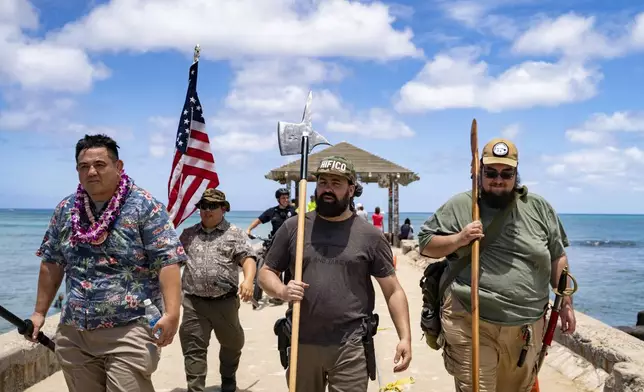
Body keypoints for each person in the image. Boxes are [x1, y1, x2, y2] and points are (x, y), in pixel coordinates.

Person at [29, 134, 186, 392]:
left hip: (130, 329)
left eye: (100, 164)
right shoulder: (66, 209)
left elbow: (168, 261)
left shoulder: (145, 206)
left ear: (118, 166)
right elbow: (52, 263)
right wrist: (39, 313)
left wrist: (172, 313)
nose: (92, 171)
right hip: (75, 329)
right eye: (84, 166)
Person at [418, 138, 576, 392]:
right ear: (479, 172)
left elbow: (558, 256)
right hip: (471, 320)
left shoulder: (539, 208)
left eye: (506, 173)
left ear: (516, 174)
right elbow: (425, 244)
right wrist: (460, 238)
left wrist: (566, 302)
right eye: (490, 172)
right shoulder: (462, 205)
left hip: (526, 328)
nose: (498, 179)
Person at [258, 155, 412, 392]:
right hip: (302, 341)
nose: (327, 189)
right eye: (323, 182)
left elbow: (392, 290)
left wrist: (405, 337)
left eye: (336, 183)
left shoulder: (369, 235)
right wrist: (281, 290)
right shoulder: (294, 227)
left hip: (350, 346)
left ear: (351, 190)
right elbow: (267, 272)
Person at [178, 188, 257, 392]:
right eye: (203, 206)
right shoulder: (188, 234)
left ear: (223, 208)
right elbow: (172, 262)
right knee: (193, 347)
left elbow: (247, 258)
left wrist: (248, 280)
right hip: (194, 303)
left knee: (232, 344)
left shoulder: (234, 233)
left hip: (225, 302)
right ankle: (195, 387)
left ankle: (228, 379)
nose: (207, 210)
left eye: (212, 206)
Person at [246, 188, 297, 304]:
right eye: (283, 198)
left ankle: (289, 296)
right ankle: (278, 295)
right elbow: (259, 220)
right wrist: (249, 229)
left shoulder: (293, 211)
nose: (286, 200)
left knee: (290, 271)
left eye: (287, 197)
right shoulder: (272, 211)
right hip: (276, 244)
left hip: (291, 244)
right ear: (278, 199)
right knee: (274, 269)